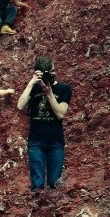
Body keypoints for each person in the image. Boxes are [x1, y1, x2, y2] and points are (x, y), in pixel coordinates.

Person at [17, 56, 73, 190]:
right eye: (48, 72)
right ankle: (37, 208)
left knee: (55, 183)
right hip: (36, 142)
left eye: (52, 71)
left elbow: (60, 114)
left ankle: (54, 209)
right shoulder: (34, 88)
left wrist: (49, 94)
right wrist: (31, 83)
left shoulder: (64, 88)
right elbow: (20, 105)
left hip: (56, 142)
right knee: (37, 184)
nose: (51, 74)